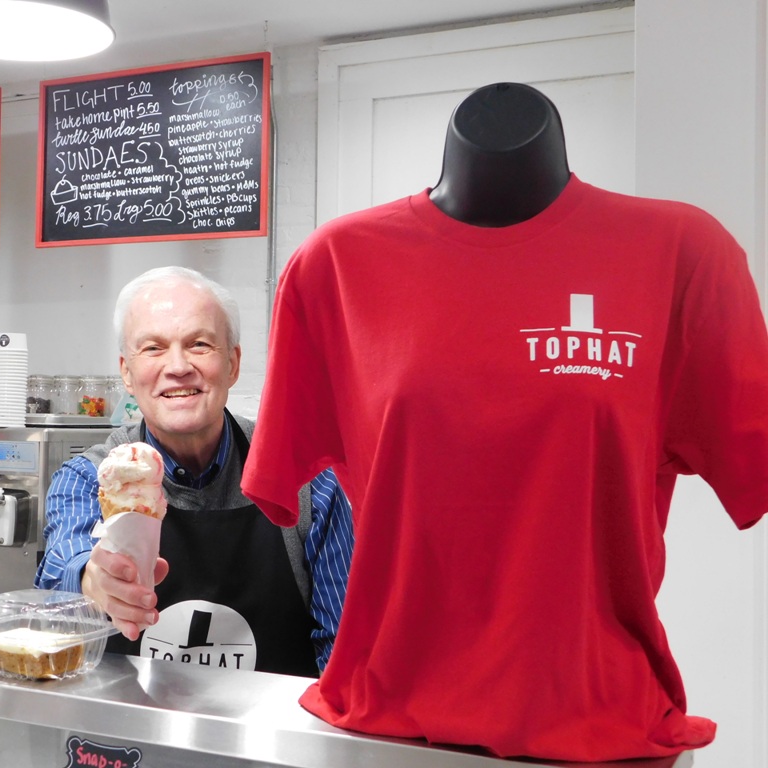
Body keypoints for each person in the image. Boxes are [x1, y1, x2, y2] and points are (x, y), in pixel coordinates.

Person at [241, 82, 768, 761]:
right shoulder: (333, 266)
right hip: (387, 714)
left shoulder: (683, 252)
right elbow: (280, 484)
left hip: (599, 718)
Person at [36, 266, 353, 677]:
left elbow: (346, 651)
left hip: (269, 718)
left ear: (233, 363)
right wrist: (93, 581)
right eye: (153, 348)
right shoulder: (89, 479)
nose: (178, 366)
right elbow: (60, 580)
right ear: (127, 373)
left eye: (199, 344)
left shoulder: (305, 481)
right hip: (121, 719)